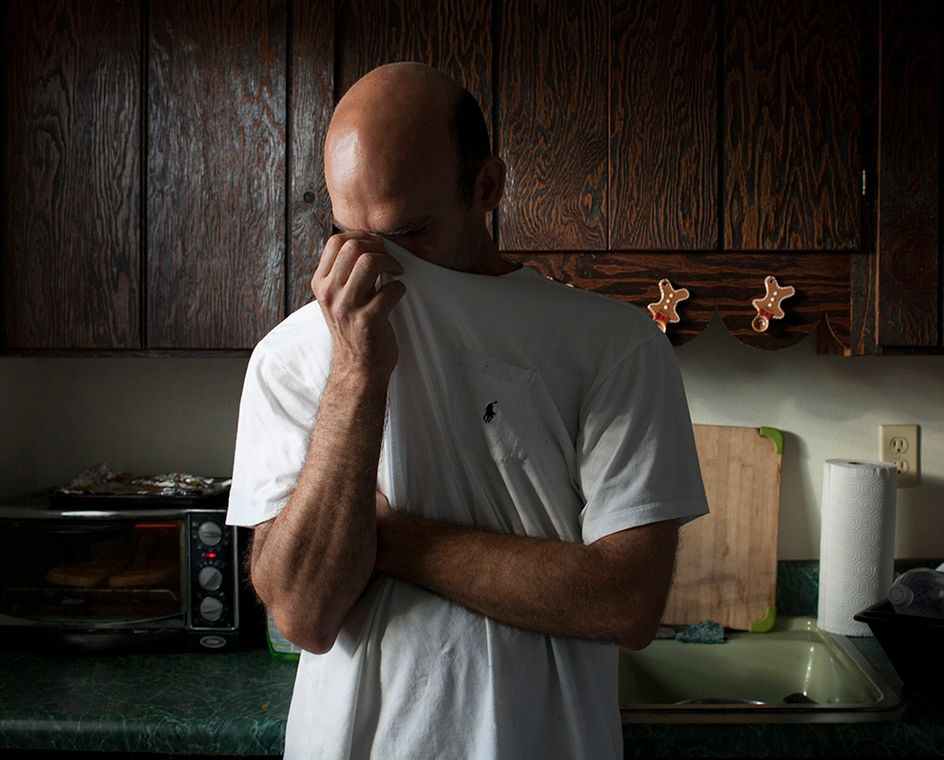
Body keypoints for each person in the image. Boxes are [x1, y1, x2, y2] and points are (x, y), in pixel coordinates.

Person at [226, 62, 708, 760]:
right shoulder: (289, 358)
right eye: (349, 234)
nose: (372, 265)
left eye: (408, 233)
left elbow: (625, 602)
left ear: (487, 187)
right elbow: (303, 612)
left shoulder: (614, 345)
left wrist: (387, 539)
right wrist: (358, 372)